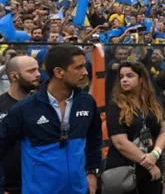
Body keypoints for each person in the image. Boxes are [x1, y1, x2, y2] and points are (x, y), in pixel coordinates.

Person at [0, 44, 102, 194]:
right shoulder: (24, 109)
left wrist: (92, 173)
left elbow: (94, 140)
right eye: (78, 67)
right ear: (59, 72)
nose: (85, 72)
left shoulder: (87, 102)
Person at [104, 61, 165, 194]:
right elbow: (120, 142)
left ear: (141, 79)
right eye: (121, 77)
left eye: (129, 76)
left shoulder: (154, 102)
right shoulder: (115, 105)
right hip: (124, 170)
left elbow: (164, 130)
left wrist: (155, 154)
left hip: (153, 165)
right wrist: (148, 164)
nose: (124, 80)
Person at [0, 56, 40, 194]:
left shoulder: (45, 105)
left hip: (40, 183)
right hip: (8, 186)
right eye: (31, 71)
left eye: (38, 69)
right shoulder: (1, 105)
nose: (38, 74)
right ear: (14, 76)